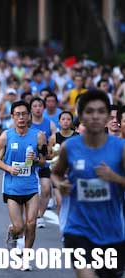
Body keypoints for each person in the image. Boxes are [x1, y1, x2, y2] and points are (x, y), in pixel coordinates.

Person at [51, 90, 125, 277]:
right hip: (78, 229)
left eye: (101, 111)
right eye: (89, 111)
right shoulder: (71, 147)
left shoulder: (120, 149)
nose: (95, 116)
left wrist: (114, 178)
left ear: (108, 116)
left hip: (112, 231)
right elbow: (56, 173)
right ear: (81, 116)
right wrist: (60, 184)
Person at [0, 100, 46, 271]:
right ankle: (12, 232)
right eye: (18, 114)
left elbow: (44, 160)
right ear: (12, 117)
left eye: (24, 114)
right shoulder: (5, 136)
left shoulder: (38, 136)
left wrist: (36, 160)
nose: (21, 117)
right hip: (12, 187)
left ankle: (26, 257)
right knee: (19, 226)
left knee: (31, 223)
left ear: (29, 116)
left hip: (31, 186)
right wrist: (9, 168)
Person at [30, 96, 57, 228]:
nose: (37, 108)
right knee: (32, 192)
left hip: (44, 162)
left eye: (40, 106)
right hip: (29, 163)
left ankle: (40, 215)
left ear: (44, 108)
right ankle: (31, 215)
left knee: (46, 189)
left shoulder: (50, 124)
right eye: (34, 106)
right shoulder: (26, 123)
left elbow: (55, 141)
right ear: (31, 109)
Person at [48, 111, 78, 214]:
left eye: (68, 119)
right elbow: (49, 155)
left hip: (73, 173)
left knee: (73, 203)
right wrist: (56, 155)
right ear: (59, 122)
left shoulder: (77, 137)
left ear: (72, 122)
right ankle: (62, 226)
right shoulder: (53, 137)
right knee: (60, 202)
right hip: (59, 173)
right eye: (63, 119)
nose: (65, 122)